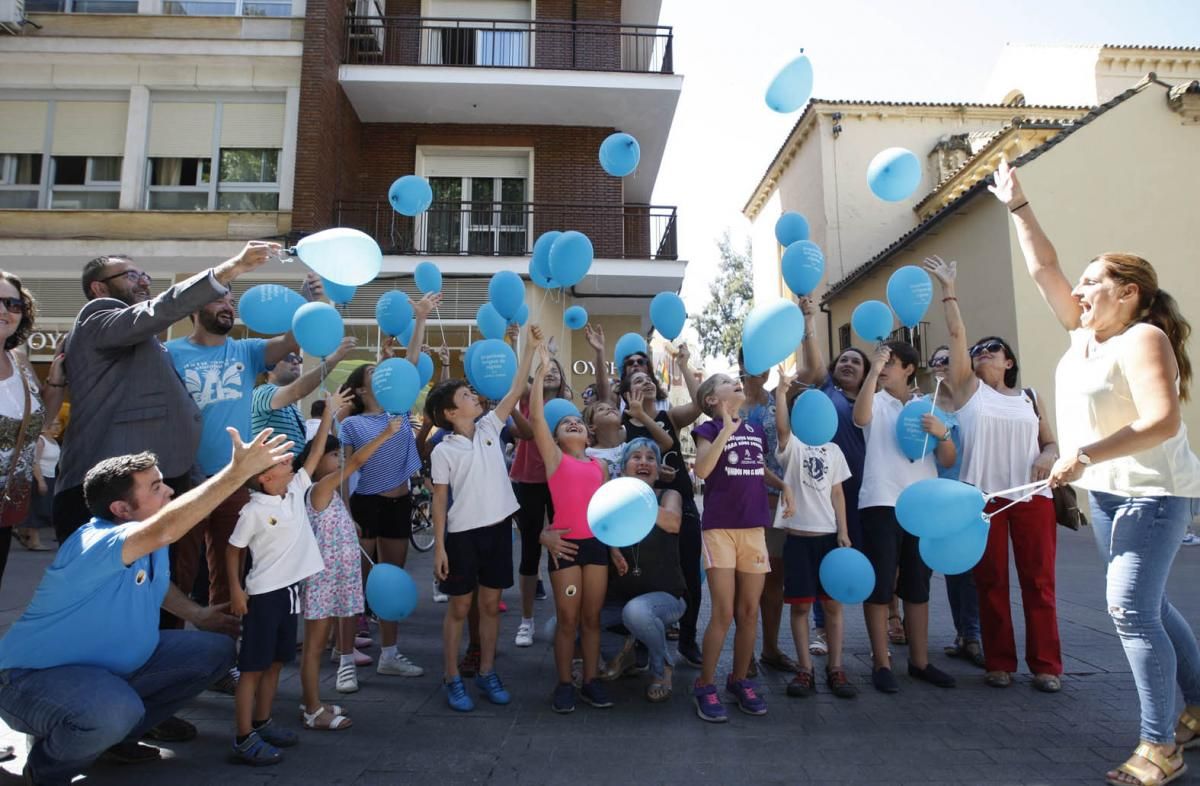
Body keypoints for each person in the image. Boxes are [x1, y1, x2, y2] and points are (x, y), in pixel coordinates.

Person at [991, 158, 1200, 786]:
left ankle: (1159, 745)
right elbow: (1044, 267)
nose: (1077, 292)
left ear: (1128, 292)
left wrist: (1082, 455)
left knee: (1129, 610)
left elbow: (1162, 421)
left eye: (1093, 283)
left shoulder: (1142, 339)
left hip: (1153, 498)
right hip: (1110, 497)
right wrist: (1018, 205)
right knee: (1152, 606)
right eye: (1077, 284)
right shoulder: (1083, 336)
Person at [0, 429, 289, 785]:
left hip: (110, 669)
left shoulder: (141, 542)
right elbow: (164, 531)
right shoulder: (98, 539)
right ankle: (44, 770)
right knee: (114, 711)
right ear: (121, 509)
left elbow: (158, 583)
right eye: (155, 487)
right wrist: (235, 474)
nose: (169, 490)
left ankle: (108, 740)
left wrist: (197, 615)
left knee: (214, 650)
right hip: (30, 679)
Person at [53, 244, 276, 544]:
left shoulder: (141, 340)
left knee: (160, 580)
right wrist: (232, 268)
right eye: (131, 275)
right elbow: (157, 311)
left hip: (156, 481)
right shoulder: (97, 315)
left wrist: (190, 473)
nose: (144, 281)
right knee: (112, 585)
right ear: (98, 287)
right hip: (106, 490)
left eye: (143, 274)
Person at [166, 282, 348, 628]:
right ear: (193, 307)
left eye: (230, 300)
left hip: (234, 479)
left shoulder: (246, 351)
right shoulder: (169, 354)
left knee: (230, 569)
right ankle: (169, 646)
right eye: (219, 298)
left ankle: (221, 661)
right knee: (179, 569)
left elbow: (291, 340)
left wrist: (307, 302)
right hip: (185, 481)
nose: (227, 304)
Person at [925, 255, 1063, 692]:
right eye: (979, 351)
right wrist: (949, 290)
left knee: (1038, 583)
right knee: (991, 583)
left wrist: (1050, 456)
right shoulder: (970, 392)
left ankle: (1046, 666)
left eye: (994, 350)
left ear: (1009, 362)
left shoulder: (1030, 397)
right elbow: (956, 334)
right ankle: (999, 663)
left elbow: (1051, 443)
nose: (983, 354)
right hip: (983, 499)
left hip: (1032, 496)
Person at [426, 325, 538, 712]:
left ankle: (487, 671)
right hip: (461, 537)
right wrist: (439, 546)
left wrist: (530, 348)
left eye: (472, 393)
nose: (474, 396)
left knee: (490, 606)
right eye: (466, 395)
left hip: (497, 532)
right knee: (460, 608)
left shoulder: (492, 425)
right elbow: (439, 501)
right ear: (450, 413)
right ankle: (451, 677)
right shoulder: (443, 450)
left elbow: (515, 388)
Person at [339, 291, 441, 678]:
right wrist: (346, 514)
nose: (384, 378)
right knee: (358, 583)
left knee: (393, 581)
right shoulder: (351, 424)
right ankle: (346, 657)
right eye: (374, 377)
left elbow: (411, 364)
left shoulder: (399, 409)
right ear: (363, 390)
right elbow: (346, 473)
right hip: (365, 504)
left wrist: (420, 319)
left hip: (399, 504)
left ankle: (389, 655)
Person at [852, 341, 957, 694]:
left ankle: (920, 661)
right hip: (881, 501)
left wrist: (941, 434)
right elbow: (859, 418)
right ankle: (881, 662)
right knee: (881, 584)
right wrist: (873, 372)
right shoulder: (875, 401)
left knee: (917, 583)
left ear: (910, 368)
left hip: (922, 503)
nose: (883, 367)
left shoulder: (928, 405)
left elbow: (946, 458)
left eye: (891, 362)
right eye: (880, 361)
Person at [691, 372, 794, 722]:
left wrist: (785, 486)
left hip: (754, 529)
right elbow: (703, 470)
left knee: (749, 610)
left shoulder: (751, 430)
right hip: (720, 530)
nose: (734, 381)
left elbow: (758, 467)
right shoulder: (706, 431)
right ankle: (705, 684)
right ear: (709, 400)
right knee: (723, 612)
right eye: (724, 381)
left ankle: (739, 679)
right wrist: (724, 431)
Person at [226, 418, 329, 765]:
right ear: (264, 477)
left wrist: (328, 413)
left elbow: (315, 452)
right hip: (264, 596)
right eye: (282, 462)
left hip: (289, 593)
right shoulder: (254, 510)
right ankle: (243, 736)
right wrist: (237, 590)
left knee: (275, 662)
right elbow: (233, 549)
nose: (290, 462)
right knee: (252, 667)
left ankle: (263, 722)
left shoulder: (296, 489)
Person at [298, 389, 400, 700]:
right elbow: (354, 460)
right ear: (316, 464)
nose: (338, 457)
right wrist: (385, 434)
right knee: (315, 643)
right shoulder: (319, 488)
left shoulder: (327, 492)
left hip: (341, 573)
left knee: (339, 625)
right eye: (332, 455)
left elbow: (331, 455)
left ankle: (338, 671)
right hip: (323, 577)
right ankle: (312, 702)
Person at [529, 343, 611, 713]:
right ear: (555, 436)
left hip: (597, 548)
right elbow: (534, 417)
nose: (573, 422)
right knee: (568, 620)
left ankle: (590, 681)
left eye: (577, 420)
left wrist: (618, 550)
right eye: (564, 423)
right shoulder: (553, 458)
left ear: (588, 434)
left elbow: (608, 514)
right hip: (566, 548)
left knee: (592, 619)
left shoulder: (600, 467)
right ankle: (564, 683)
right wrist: (542, 368)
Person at [613, 340, 705, 669]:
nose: (643, 375)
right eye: (635, 374)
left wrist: (683, 364)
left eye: (647, 372)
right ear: (625, 392)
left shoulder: (668, 416)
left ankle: (689, 639)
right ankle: (641, 637)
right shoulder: (622, 427)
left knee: (690, 576)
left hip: (680, 505)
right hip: (640, 514)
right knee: (644, 573)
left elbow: (700, 403)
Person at [793, 296, 876, 652]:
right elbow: (813, 357)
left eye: (856, 361)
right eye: (843, 359)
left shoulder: (875, 398)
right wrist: (808, 320)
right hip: (825, 492)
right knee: (825, 556)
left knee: (870, 557)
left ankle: (890, 621)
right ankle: (822, 629)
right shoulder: (826, 391)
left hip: (866, 494)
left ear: (866, 371)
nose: (848, 363)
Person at [774, 365, 857, 699]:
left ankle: (836, 667)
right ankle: (804, 668)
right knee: (800, 608)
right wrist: (781, 393)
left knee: (834, 606)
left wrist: (844, 532)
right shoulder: (791, 446)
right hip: (798, 539)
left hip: (828, 538)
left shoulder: (834, 451)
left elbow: (838, 493)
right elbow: (781, 430)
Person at [604, 438, 687, 702]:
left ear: (658, 468)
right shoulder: (611, 499)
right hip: (619, 600)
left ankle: (662, 666)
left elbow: (673, 522)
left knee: (636, 612)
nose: (643, 462)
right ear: (624, 466)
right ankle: (625, 654)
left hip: (666, 599)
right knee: (556, 628)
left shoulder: (668, 495)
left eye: (650, 458)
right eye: (636, 457)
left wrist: (631, 495)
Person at [737, 347, 799, 677]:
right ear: (741, 365)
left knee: (774, 581)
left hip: (775, 504)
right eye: (751, 362)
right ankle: (744, 654)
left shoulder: (779, 403)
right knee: (743, 583)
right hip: (738, 507)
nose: (758, 369)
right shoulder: (728, 404)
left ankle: (771, 648)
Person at [925, 344, 984, 669]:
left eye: (949, 360)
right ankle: (965, 635)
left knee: (975, 571)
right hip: (941, 497)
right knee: (953, 570)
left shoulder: (975, 403)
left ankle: (974, 635)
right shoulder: (927, 405)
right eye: (937, 361)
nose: (943, 365)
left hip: (977, 495)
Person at [509, 348, 571, 649]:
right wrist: (521, 346)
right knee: (531, 550)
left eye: (557, 371)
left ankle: (565, 615)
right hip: (529, 481)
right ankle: (526, 620)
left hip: (559, 481)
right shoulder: (525, 400)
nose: (553, 373)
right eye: (548, 370)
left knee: (561, 547)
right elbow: (516, 381)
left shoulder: (566, 407)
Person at [0, 272, 48, 587]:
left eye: (13, 303)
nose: (5, 310)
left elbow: (37, 419)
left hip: (7, 506)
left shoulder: (19, 360)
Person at [253, 339, 356, 449]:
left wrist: (331, 412)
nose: (296, 362)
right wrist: (332, 360)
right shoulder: (261, 392)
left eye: (298, 358)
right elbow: (297, 391)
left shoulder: (293, 408)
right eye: (288, 358)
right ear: (269, 367)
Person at [16, 413, 63, 552]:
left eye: (59, 424)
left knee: (43, 508)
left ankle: (23, 533)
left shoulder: (54, 441)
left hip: (50, 476)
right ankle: (33, 541)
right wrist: (41, 480)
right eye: (54, 424)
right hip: (39, 477)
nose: (58, 427)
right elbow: (34, 461)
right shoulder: (41, 440)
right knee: (36, 509)